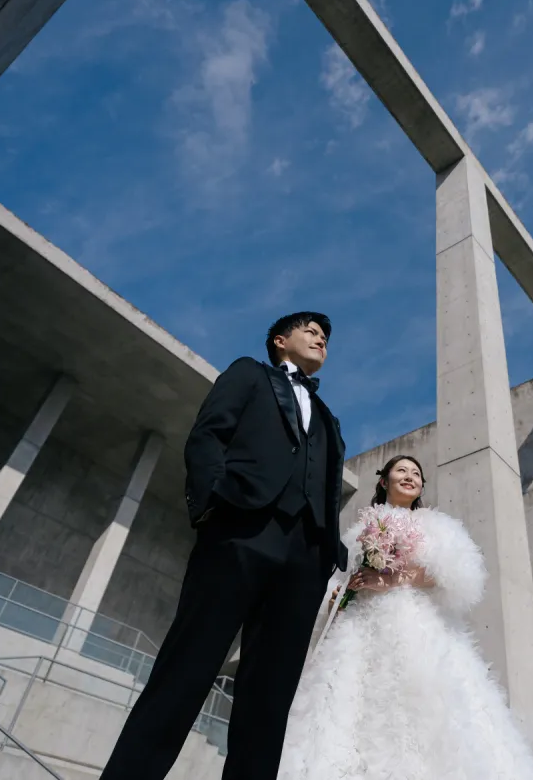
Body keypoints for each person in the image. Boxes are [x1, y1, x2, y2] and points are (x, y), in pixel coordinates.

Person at [98, 312, 347, 780]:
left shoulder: (330, 419)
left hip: (306, 554)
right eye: (310, 331)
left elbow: (329, 485)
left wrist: (327, 549)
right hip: (240, 531)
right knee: (188, 667)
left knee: (271, 696)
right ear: (280, 341)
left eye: (325, 337)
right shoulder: (248, 373)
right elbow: (208, 436)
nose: (320, 339)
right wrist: (213, 505)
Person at [279, 455, 533, 780]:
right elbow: (341, 579)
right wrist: (337, 599)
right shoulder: (358, 531)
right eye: (401, 471)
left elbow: (455, 572)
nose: (410, 476)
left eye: (416, 473)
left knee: (427, 708)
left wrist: (393, 579)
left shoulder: (433, 524)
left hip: (415, 627)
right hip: (358, 631)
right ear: (384, 481)